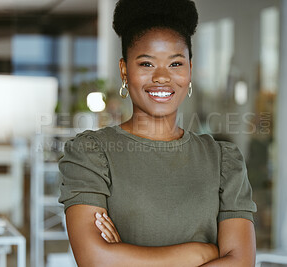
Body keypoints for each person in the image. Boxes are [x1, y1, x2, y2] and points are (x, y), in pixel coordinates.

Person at [58, 0, 257, 266]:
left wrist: (126, 257)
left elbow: (241, 262)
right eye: (147, 64)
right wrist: (202, 253)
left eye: (175, 64)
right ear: (124, 70)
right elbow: (96, 260)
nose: (162, 77)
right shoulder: (91, 153)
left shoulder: (223, 160)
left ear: (190, 70)